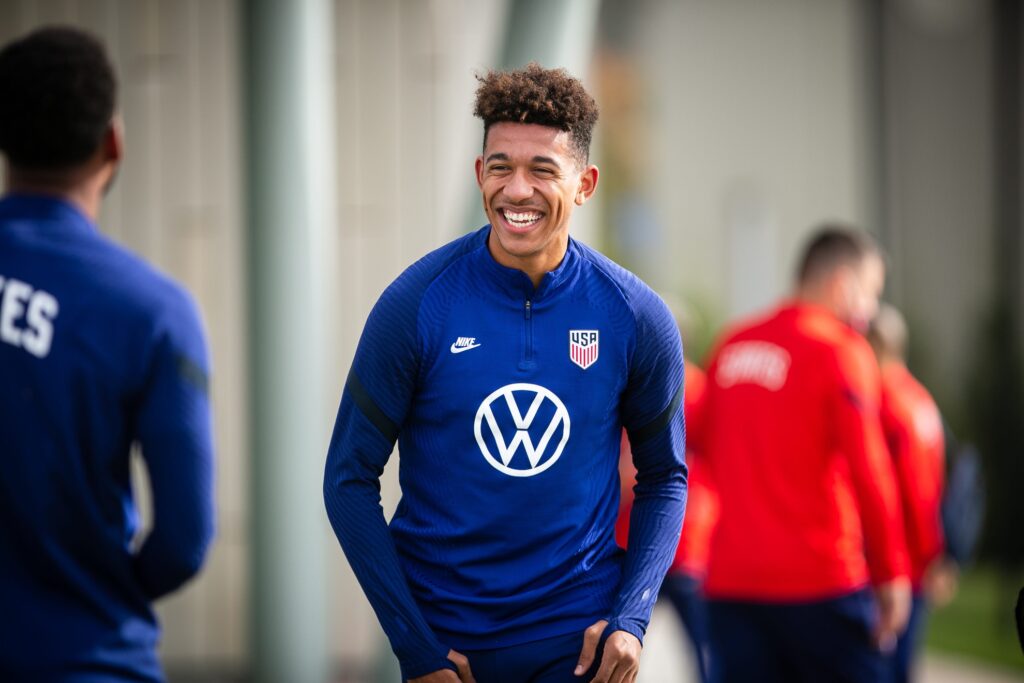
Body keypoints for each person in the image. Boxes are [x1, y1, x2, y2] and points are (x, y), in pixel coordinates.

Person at [323, 63, 687, 683]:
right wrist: (415, 647)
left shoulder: (635, 317)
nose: (517, 190)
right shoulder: (414, 305)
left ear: (585, 183)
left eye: (542, 169)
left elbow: (665, 478)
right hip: (449, 656)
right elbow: (347, 479)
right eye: (500, 167)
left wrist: (631, 618)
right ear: (479, 174)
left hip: (577, 651)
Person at [0, 27, 215, 682]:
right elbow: (183, 541)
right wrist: (100, 589)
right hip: (87, 658)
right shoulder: (151, 311)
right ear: (113, 142)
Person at [696, 226, 911, 683]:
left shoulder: (732, 343)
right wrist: (893, 574)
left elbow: (701, 446)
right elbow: (871, 470)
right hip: (820, 582)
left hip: (733, 584)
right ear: (842, 284)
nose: (871, 310)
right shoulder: (840, 350)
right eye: (871, 292)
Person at [615, 307, 715, 683]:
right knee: (704, 650)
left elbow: (628, 469)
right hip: (681, 537)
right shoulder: (699, 385)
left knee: (620, 645)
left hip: (646, 537)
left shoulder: (639, 385)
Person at [867, 303, 947, 683]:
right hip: (917, 557)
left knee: (882, 667)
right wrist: (934, 553)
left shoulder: (880, 401)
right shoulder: (920, 398)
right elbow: (932, 486)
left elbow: (912, 488)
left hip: (890, 563)